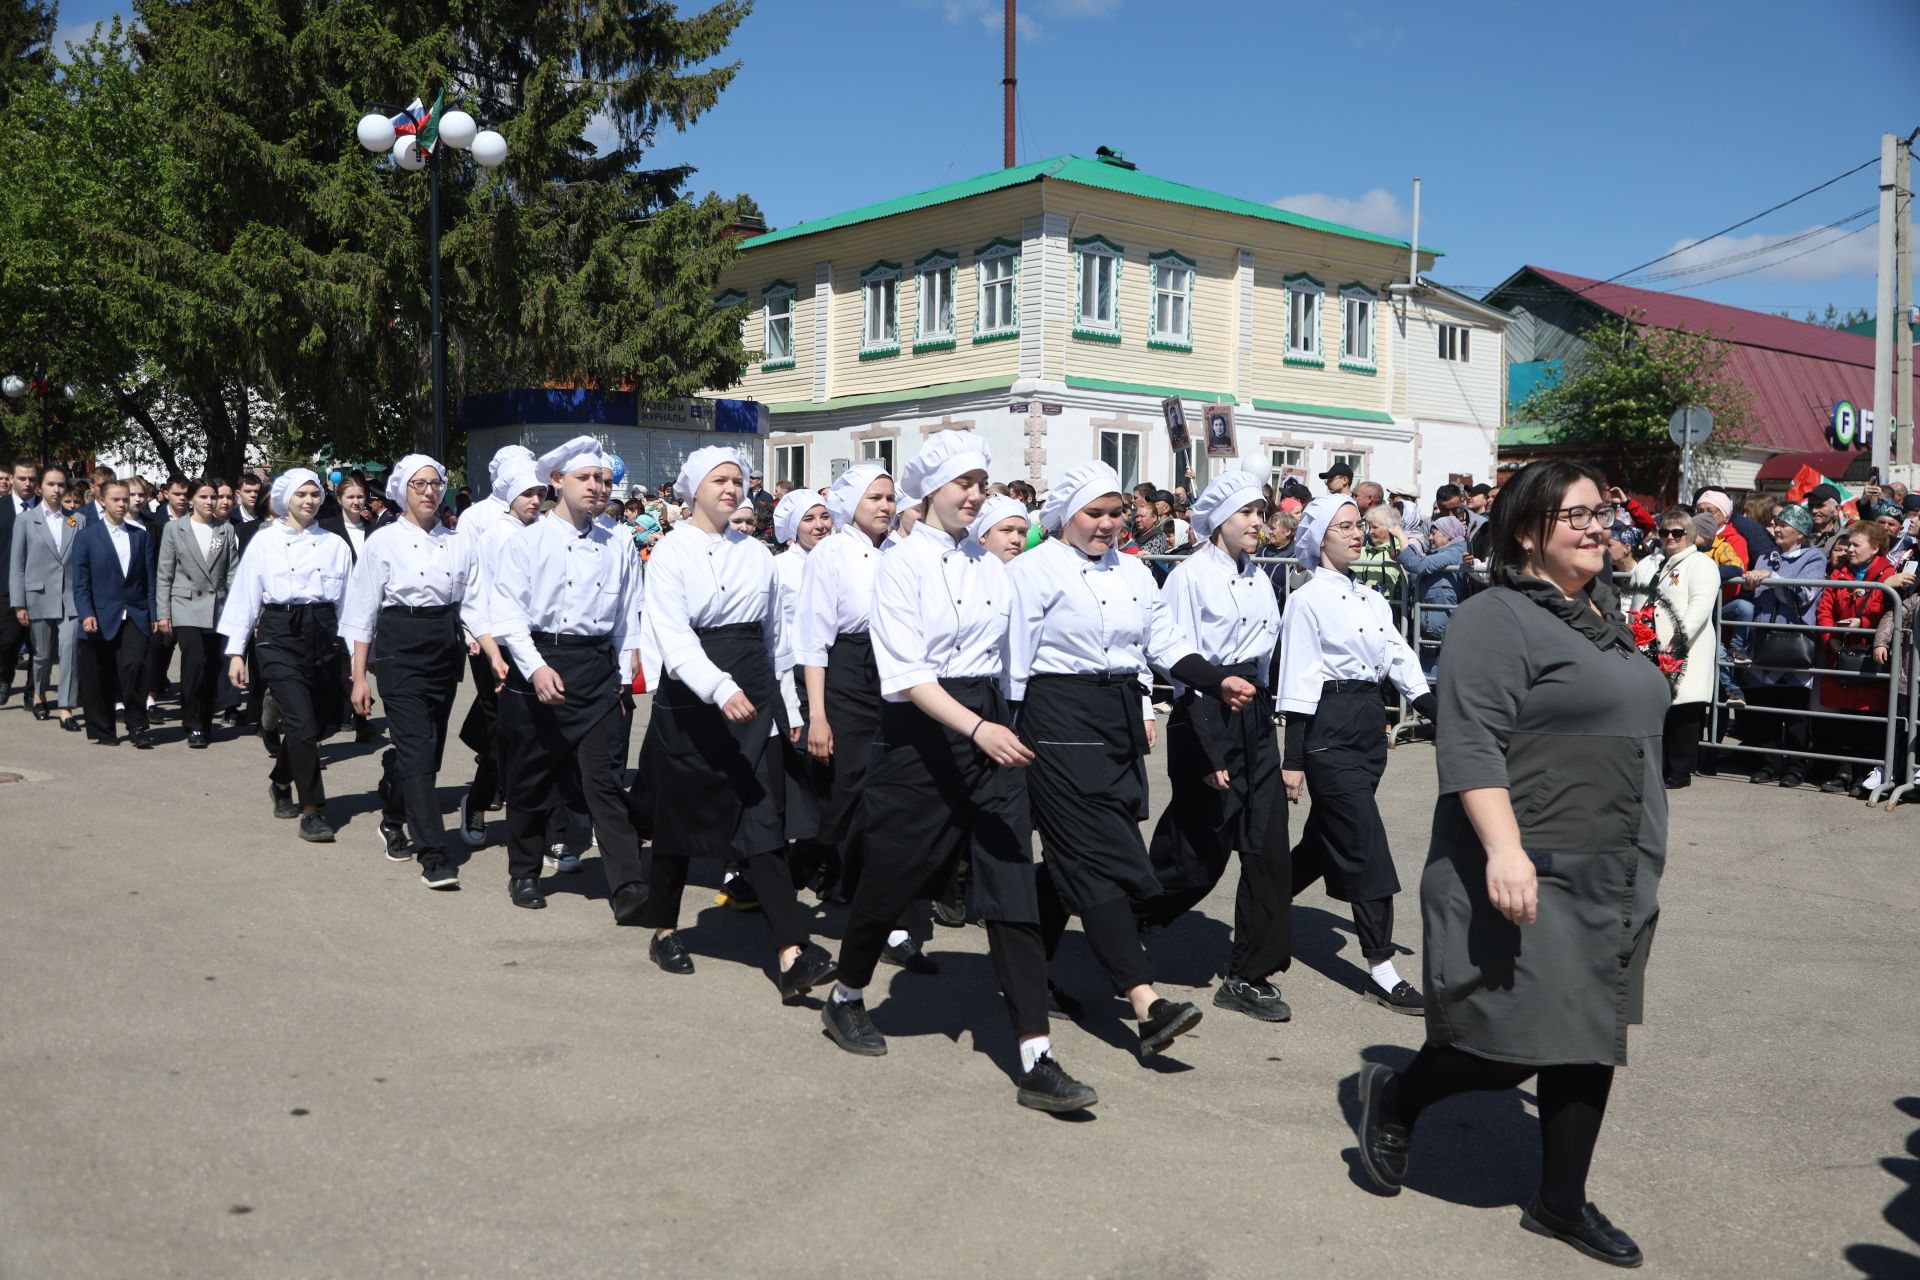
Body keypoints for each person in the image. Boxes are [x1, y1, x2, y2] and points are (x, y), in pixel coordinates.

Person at [1355, 459, 1668, 1269]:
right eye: (1582, 517)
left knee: (1589, 1031)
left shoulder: (1599, 608)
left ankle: (1560, 1203)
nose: (1602, 528)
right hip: (1532, 853)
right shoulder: (1496, 615)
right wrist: (1504, 850)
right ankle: (1397, 1095)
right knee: (1511, 1045)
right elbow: (1470, 741)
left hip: (1615, 856)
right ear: (1529, 531)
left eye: (1606, 514)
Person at [818, 432, 1099, 1111]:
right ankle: (847, 993)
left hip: (988, 726)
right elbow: (906, 674)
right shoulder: (902, 564)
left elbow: (1013, 655)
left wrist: (1009, 723)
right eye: (961, 484)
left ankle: (1036, 1056)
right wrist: (976, 727)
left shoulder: (993, 563)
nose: (973, 495)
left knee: (1012, 889)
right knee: (894, 879)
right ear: (931, 491)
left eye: (980, 482)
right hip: (920, 735)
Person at [1007, 460, 1204, 1059]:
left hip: (1115, 714)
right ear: (1067, 515)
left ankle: (1025, 966)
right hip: (1056, 715)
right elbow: (1015, 657)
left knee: (1079, 850)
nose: (1108, 524)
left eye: (1117, 513)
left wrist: (1213, 679)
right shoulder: (1033, 570)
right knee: (1095, 857)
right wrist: (1006, 733)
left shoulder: (1135, 572)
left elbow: (1161, 642)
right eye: (1095, 513)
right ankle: (1145, 1002)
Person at [633, 444, 838, 994]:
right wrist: (718, 687)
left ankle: (791, 951)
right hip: (695, 696)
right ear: (694, 488)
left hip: (754, 692)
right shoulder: (670, 552)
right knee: (681, 820)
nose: (731, 489)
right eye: (720, 480)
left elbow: (775, 639)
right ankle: (664, 927)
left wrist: (789, 709)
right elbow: (673, 638)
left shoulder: (757, 555)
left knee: (761, 820)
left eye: (738, 481)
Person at [1133, 471, 1292, 1022]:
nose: (1257, 522)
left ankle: (1251, 974)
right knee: (1198, 857)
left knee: (1269, 850)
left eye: (1261, 512)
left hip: (1255, 719)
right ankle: (1128, 913)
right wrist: (1205, 752)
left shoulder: (1261, 577)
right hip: (1206, 714)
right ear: (1219, 519)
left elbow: (1267, 659)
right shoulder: (1190, 577)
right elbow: (1176, 663)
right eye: (1247, 513)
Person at [1277, 494, 1435, 1013]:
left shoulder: (1370, 598)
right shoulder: (1306, 599)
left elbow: (1396, 653)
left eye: (1359, 526)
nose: (1356, 534)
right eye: (1343, 527)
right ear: (1319, 537)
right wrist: (1293, 760)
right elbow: (1298, 679)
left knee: (1328, 839)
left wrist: (1431, 704)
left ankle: (1265, 900)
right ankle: (1382, 969)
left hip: (1369, 725)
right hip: (1327, 727)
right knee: (1365, 844)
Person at [487, 436, 650, 918]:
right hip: (539, 659)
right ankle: (524, 871)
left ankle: (628, 885)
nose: (597, 487)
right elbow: (508, 613)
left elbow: (627, 614)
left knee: (602, 779)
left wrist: (622, 676)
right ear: (557, 481)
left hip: (595, 669)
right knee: (532, 777)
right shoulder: (527, 540)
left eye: (603, 480)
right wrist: (535, 667)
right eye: (586, 478)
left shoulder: (617, 541)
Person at [340, 455, 477, 891]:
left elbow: (474, 602)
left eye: (435, 483)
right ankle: (433, 853)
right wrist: (359, 676)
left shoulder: (457, 542)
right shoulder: (383, 543)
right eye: (419, 484)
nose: (429, 491)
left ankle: (394, 813)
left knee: (427, 754)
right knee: (419, 751)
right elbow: (362, 611)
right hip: (399, 645)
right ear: (403, 490)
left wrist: (486, 646)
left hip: (443, 644)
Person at [216, 470, 351, 842]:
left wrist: (355, 657)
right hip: (279, 633)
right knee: (301, 725)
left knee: (319, 725)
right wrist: (235, 653)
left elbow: (348, 605)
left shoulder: (335, 544)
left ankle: (280, 780)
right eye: (301, 494)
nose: (309, 500)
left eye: (315, 494)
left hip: (324, 634)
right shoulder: (264, 542)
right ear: (285, 498)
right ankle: (313, 811)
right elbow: (244, 597)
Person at [793, 462, 899, 910]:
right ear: (852, 504)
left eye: (890, 498)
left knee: (884, 786)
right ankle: (787, 869)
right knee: (847, 786)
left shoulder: (899, 550)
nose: (885, 506)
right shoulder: (831, 554)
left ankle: (855, 885)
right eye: (874, 498)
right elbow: (813, 642)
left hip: (892, 672)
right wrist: (816, 715)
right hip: (847, 673)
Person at [451, 445, 540, 847]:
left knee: (525, 726)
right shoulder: (477, 518)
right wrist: (475, 635)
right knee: (499, 723)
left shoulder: (538, 523)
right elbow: (472, 581)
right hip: (490, 637)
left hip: (531, 639)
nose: (534, 498)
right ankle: (480, 800)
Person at [768, 485, 836, 897]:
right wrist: (790, 702)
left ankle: (824, 862)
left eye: (823, 517)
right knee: (806, 777)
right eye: (808, 520)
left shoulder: (839, 560)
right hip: (794, 676)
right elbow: (775, 635)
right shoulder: (781, 569)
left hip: (833, 674)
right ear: (792, 529)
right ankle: (797, 863)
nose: (819, 526)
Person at [1739, 504, 1828, 787]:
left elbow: (1805, 596)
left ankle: (1795, 766)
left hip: (1794, 641)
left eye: (1783, 525)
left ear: (1800, 533)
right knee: (1765, 704)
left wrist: (1773, 578)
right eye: (1775, 524)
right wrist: (1752, 584)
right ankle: (1768, 763)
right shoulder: (1767, 556)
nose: (1776, 529)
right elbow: (1757, 591)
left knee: (1794, 708)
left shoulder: (1814, 557)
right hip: (1763, 638)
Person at [71, 479, 157, 748]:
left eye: (125, 499)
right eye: (117, 499)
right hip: (100, 614)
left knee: (134, 668)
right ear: (103, 501)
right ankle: (103, 729)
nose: (122, 504)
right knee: (100, 673)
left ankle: (137, 724)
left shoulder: (140, 536)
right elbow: (81, 581)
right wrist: (86, 613)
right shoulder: (87, 536)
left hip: (134, 613)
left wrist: (154, 614)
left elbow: (150, 581)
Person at [153, 477, 236, 749]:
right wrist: (163, 613)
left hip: (217, 606)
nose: (210, 502)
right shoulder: (175, 529)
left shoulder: (224, 529)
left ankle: (206, 720)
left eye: (213, 497)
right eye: (203, 497)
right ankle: (193, 723)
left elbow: (233, 572)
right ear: (190, 500)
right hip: (185, 605)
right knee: (195, 663)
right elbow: (164, 573)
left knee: (213, 667)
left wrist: (237, 610)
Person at [1815, 519, 1895, 796]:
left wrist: (1862, 622)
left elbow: (1885, 610)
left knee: (1870, 720)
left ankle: (1865, 774)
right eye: (1848, 543)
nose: (1849, 548)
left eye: (1855, 544)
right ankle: (1843, 772)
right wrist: (1832, 640)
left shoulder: (1887, 573)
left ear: (1875, 548)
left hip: (1872, 654)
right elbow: (1824, 609)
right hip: (1842, 653)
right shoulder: (1840, 574)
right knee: (1845, 719)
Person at [1641, 510, 1720, 788]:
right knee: (1658, 710)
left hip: (1683, 647)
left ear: (1689, 535)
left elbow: (1700, 605)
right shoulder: (1653, 563)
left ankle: (1680, 771)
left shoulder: (1700, 564)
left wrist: (1678, 639)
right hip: (1650, 645)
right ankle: (1659, 768)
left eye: (1677, 532)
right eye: (1665, 532)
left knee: (1683, 710)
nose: (1670, 537)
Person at [9, 465, 85, 730]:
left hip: (71, 598)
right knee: (41, 655)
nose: (56, 490)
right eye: (51, 484)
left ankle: (66, 707)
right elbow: (17, 565)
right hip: (38, 596)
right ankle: (40, 694)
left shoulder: (77, 520)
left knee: (69, 650)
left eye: (61, 485)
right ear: (40, 487)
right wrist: (19, 603)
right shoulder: (26, 521)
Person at [1398, 515, 1469, 679]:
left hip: (1443, 632)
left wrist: (1402, 537)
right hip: (1430, 631)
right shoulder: (1439, 553)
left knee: (1440, 681)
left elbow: (1419, 565)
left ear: (1447, 535)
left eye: (1434, 533)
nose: (1429, 537)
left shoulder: (1455, 552)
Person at [0, 457, 39, 705]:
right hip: (5, 587)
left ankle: (33, 692)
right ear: (12, 479)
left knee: (40, 644)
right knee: (8, 640)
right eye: (22, 478)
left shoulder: (46, 510)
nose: (27, 483)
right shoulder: (1, 507)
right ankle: (4, 676)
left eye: (32, 479)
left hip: (41, 587)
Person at [1805, 483, 1845, 559]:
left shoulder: (1846, 537)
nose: (1814, 510)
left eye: (1820, 505)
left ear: (1836, 509)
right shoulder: (1799, 535)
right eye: (1810, 505)